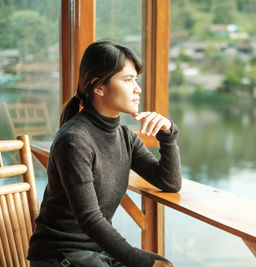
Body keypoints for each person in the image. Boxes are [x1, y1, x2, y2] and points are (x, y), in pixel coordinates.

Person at [28, 41, 182, 267]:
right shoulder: (75, 139)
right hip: (60, 253)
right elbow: (90, 219)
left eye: (136, 79)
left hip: (96, 250)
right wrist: (142, 263)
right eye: (128, 80)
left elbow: (169, 182)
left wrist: (168, 134)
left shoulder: (124, 136)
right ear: (98, 86)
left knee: (164, 264)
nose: (137, 88)